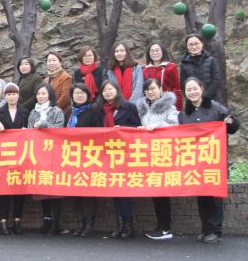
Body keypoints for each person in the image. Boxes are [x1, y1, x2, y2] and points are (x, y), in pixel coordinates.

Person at [179, 77, 239, 244]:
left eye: (195, 88)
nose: (192, 92)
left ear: (201, 89)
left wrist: (230, 122)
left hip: (214, 160)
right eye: (188, 90)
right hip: (196, 162)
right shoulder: (183, 114)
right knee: (202, 197)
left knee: (214, 197)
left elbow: (233, 127)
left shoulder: (216, 107)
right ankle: (205, 229)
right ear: (185, 93)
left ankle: (215, 231)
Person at [97, 79, 141, 238]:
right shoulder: (101, 109)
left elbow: (138, 127)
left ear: (117, 90)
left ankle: (129, 226)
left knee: (124, 191)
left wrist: (122, 129)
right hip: (108, 154)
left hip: (125, 154)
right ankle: (120, 224)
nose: (107, 92)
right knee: (114, 190)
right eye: (104, 91)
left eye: (110, 89)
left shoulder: (128, 106)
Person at [136, 78, 179, 240]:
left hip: (164, 152)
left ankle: (166, 228)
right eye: (147, 89)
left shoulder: (169, 106)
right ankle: (160, 225)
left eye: (153, 88)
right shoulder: (142, 108)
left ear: (160, 89)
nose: (150, 92)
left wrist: (158, 126)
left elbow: (175, 125)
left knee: (162, 191)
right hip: (148, 153)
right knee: (154, 191)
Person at [64, 83, 103, 237]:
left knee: (88, 192)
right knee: (75, 192)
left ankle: (89, 224)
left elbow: (99, 133)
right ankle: (80, 223)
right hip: (72, 157)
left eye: (82, 93)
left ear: (87, 95)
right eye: (76, 93)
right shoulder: (69, 113)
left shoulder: (93, 111)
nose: (79, 95)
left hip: (88, 157)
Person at [28, 83, 65, 235]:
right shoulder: (33, 112)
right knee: (42, 190)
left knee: (55, 190)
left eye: (43, 93)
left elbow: (60, 129)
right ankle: (46, 220)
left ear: (50, 94)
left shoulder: (57, 111)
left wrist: (44, 125)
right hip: (39, 154)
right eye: (38, 94)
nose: (41, 96)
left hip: (54, 154)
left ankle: (56, 222)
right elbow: (29, 131)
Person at [0, 83, 28, 235]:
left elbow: (31, 130)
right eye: (9, 94)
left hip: (20, 155)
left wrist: (27, 131)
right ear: (5, 96)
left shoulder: (24, 111)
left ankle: (17, 220)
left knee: (19, 189)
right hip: (4, 155)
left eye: (14, 94)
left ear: (18, 96)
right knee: (3, 189)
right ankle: (3, 220)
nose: (11, 97)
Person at [180, 34, 223, 103]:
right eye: (190, 44)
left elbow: (216, 80)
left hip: (213, 99)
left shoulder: (211, 60)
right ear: (187, 46)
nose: (194, 47)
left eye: (196, 43)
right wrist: (193, 97)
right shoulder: (184, 63)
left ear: (202, 44)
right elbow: (183, 84)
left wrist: (204, 97)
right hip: (193, 100)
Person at [144, 42, 183, 110]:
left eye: (157, 50)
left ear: (162, 52)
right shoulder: (145, 69)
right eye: (152, 51)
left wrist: (178, 108)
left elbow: (176, 88)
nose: (154, 53)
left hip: (168, 104)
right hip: (151, 104)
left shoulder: (170, 67)